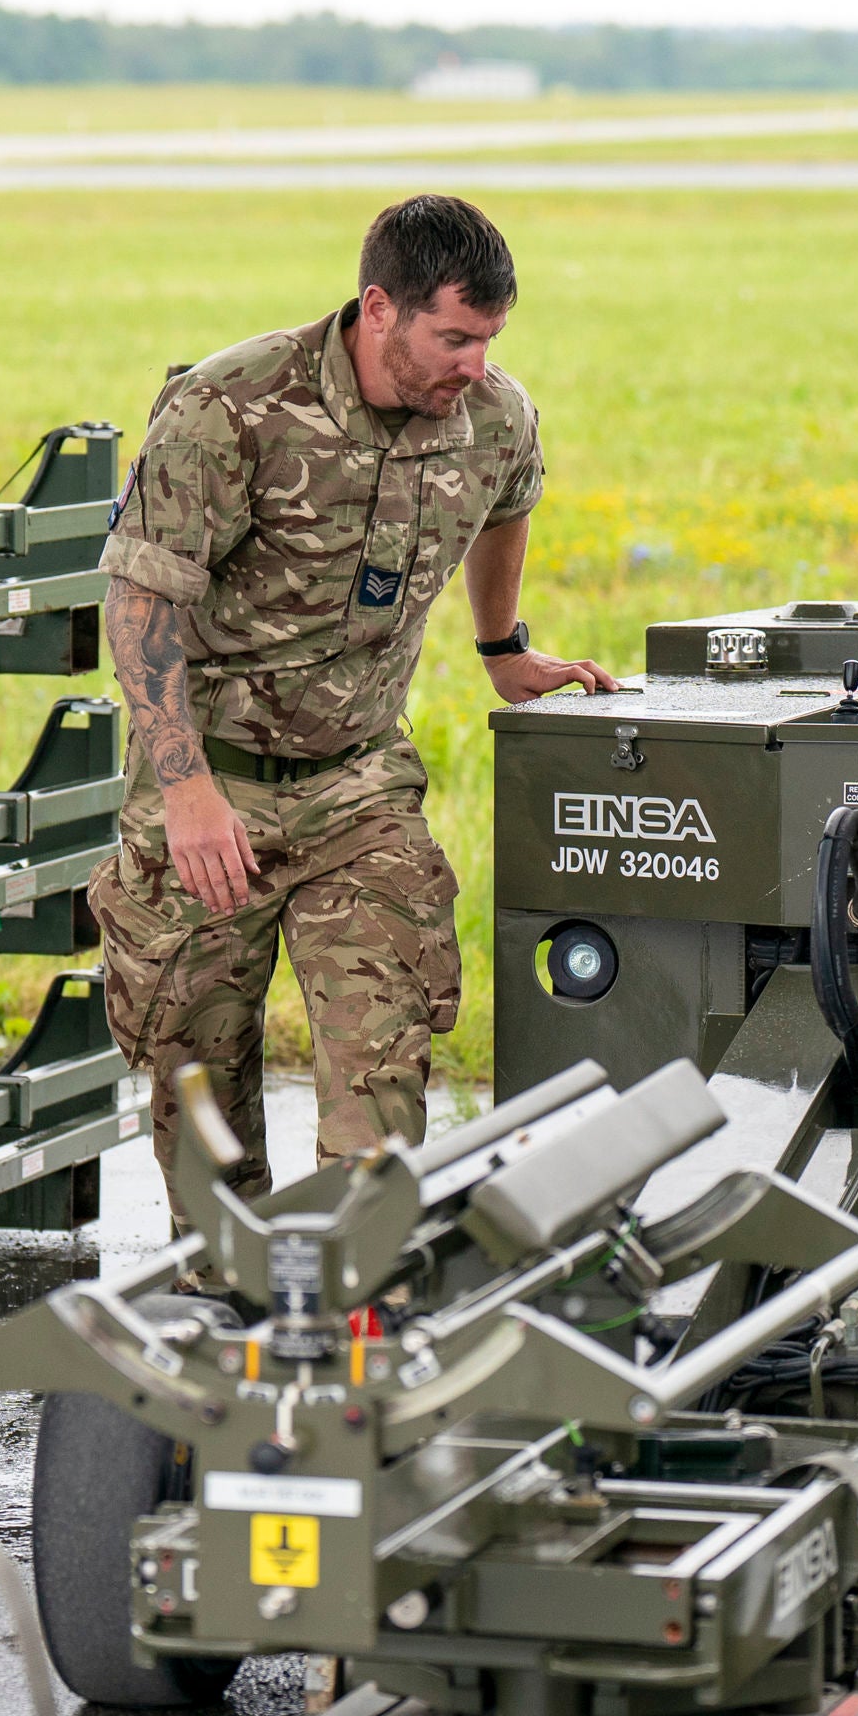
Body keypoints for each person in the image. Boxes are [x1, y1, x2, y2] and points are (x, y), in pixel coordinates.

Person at [91, 193, 618, 1207]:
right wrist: (186, 790)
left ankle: (353, 1301)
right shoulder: (231, 409)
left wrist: (504, 648)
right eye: (454, 337)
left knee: (381, 1081)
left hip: (358, 786)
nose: (475, 363)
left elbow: (512, 498)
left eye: (490, 338)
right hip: (213, 787)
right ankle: (226, 1288)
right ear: (379, 307)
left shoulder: (492, 415)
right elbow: (141, 599)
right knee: (193, 1073)